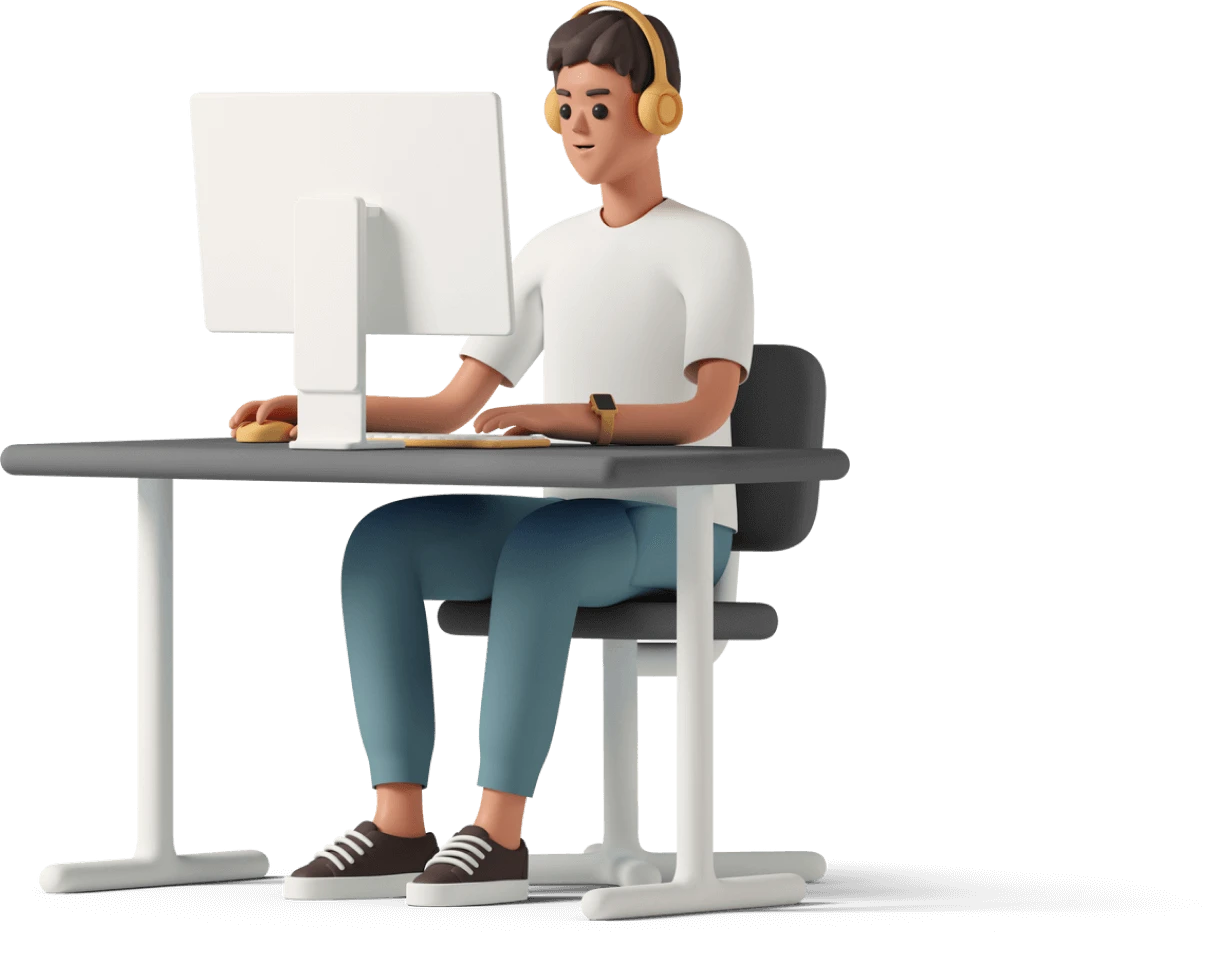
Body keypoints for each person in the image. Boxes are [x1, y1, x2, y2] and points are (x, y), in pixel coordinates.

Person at [231, 4, 755, 908]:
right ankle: (397, 822)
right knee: (386, 543)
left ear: (659, 107)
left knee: (544, 552)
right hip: (565, 514)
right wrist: (314, 401)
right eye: (563, 108)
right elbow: (453, 403)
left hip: (677, 520)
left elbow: (705, 408)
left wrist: (570, 417)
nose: (577, 130)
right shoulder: (545, 249)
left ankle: (499, 833)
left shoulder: (712, 244)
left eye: (599, 104)